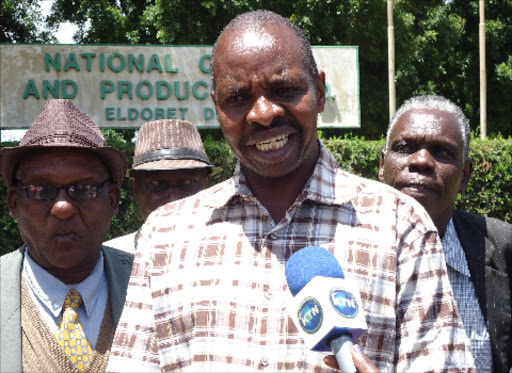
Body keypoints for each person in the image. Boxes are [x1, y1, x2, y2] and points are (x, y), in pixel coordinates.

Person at [107, 10, 476, 372]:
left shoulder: (401, 225)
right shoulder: (165, 236)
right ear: (217, 106)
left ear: (319, 90)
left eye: (284, 90)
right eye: (237, 98)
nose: (263, 113)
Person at [379, 94, 511, 373]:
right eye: (405, 147)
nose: (422, 161)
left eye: (442, 153)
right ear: (382, 166)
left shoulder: (503, 248)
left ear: (465, 175)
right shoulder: (341, 246)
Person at [0, 99, 133, 372]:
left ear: (113, 201)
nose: (63, 208)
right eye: (40, 189)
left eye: (84, 189)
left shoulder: (151, 283)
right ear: (14, 203)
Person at [104, 119, 214, 252]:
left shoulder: (234, 255)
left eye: (188, 183)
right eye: (156, 184)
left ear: (206, 186)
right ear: (135, 189)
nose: (173, 200)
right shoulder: (108, 262)